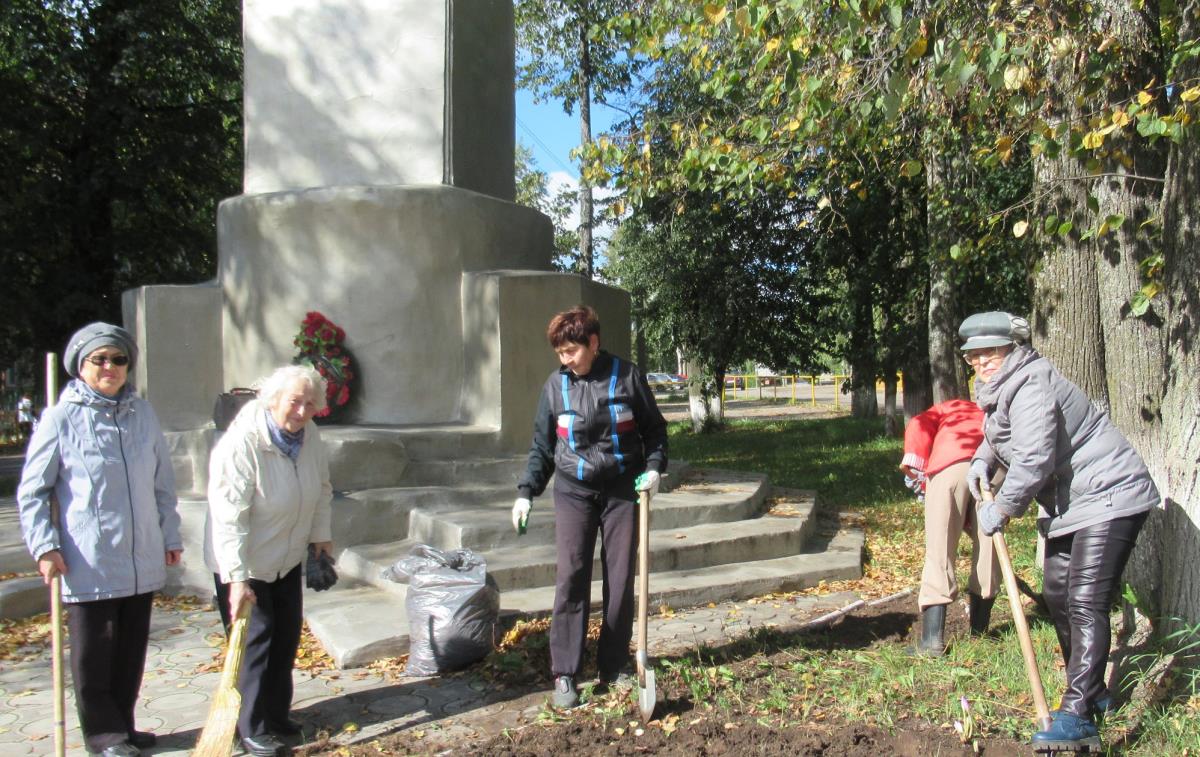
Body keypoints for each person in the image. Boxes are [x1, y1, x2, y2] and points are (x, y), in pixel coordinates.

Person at [961, 311, 1159, 752]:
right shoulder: (1001, 387)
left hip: (1110, 494)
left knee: (1086, 600)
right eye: (975, 356)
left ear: (1011, 349)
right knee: (1056, 594)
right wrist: (982, 460)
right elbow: (1000, 435)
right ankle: (1093, 691)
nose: (982, 362)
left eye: (990, 352)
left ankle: (1077, 714)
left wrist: (1003, 510)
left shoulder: (1032, 384)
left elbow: (1032, 459)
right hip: (1072, 505)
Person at [17, 323, 182, 757]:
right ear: (81, 365)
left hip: (140, 552)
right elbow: (33, 490)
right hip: (87, 557)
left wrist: (170, 532)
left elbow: (163, 483)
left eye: (118, 359)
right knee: (95, 654)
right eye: (99, 359)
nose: (110, 367)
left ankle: (124, 727)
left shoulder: (143, 414)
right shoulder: (60, 418)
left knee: (130, 650)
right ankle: (104, 735)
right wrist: (45, 546)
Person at [512, 306, 668, 709]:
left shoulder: (627, 376)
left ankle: (613, 665)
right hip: (573, 489)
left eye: (571, 351)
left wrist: (653, 470)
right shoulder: (555, 387)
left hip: (622, 489)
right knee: (572, 575)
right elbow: (543, 447)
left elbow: (655, 430)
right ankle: (565, 672)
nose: (565, 359)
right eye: (560, 353)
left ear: (593, 343)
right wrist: (526, 491)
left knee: (620, 577)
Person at [205, 364, 334, 757]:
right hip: (246, 560)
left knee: (285, 640)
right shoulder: (242, 443)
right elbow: (229, 515)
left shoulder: (309, 435)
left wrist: (320, 538)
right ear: (273, 399)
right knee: (255, 646)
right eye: (295, 401)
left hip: (287, 556)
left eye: (311, 404)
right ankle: (251, 728)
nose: (302, 411)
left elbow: (322, 488)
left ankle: (276, 717)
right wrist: (237, 579)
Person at [900, 398, 999, 655]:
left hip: (950, 464)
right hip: (994, 467)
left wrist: (915, 466)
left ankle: (932, 641)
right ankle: (980, 633)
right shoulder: (994, 409)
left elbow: (917, 425)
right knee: (989, 546)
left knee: (940, 550)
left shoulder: (945, 408)